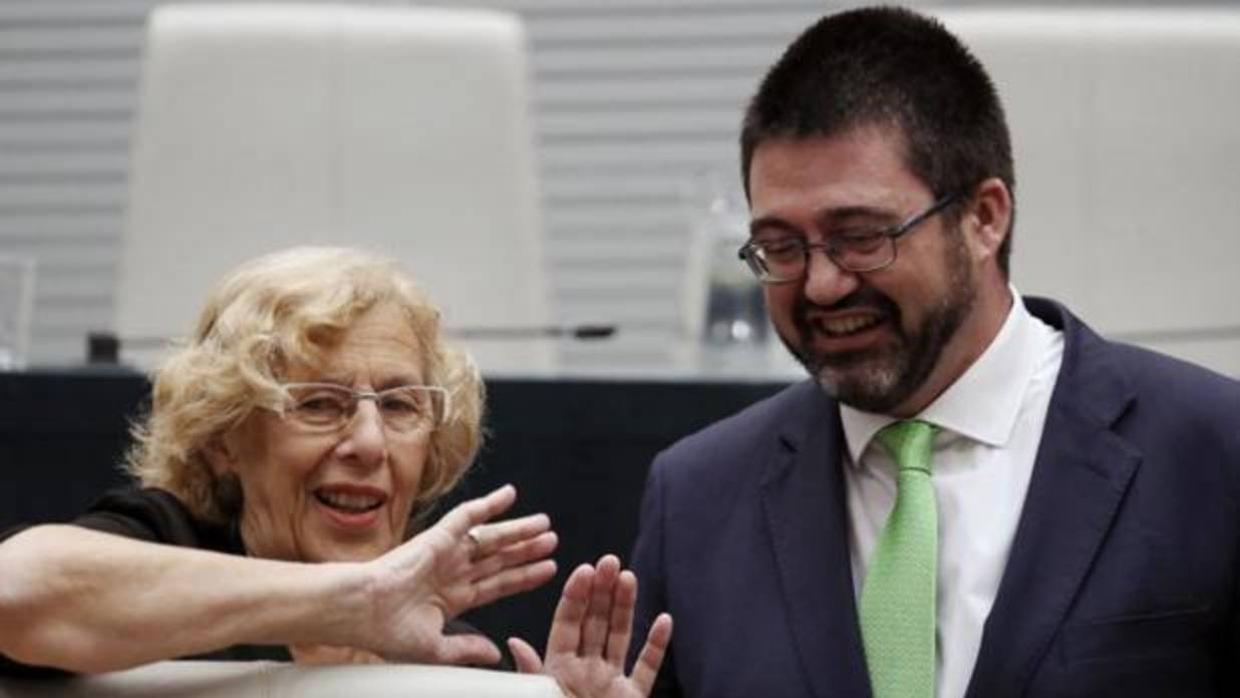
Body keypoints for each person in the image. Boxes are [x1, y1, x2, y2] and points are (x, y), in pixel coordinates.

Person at [629, 6, 1240, 698]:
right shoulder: (699, 498)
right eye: (781, 247)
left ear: (984, 218)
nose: (823, 284)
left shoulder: (1212, 453)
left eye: (861, 237)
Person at [0, 246, 671, 697]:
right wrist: (355, 603)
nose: (370, 443)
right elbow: (14, 592)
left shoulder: (444, 656)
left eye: (403, 405)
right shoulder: (166, 543)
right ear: (224, 439)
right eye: (320, 404)